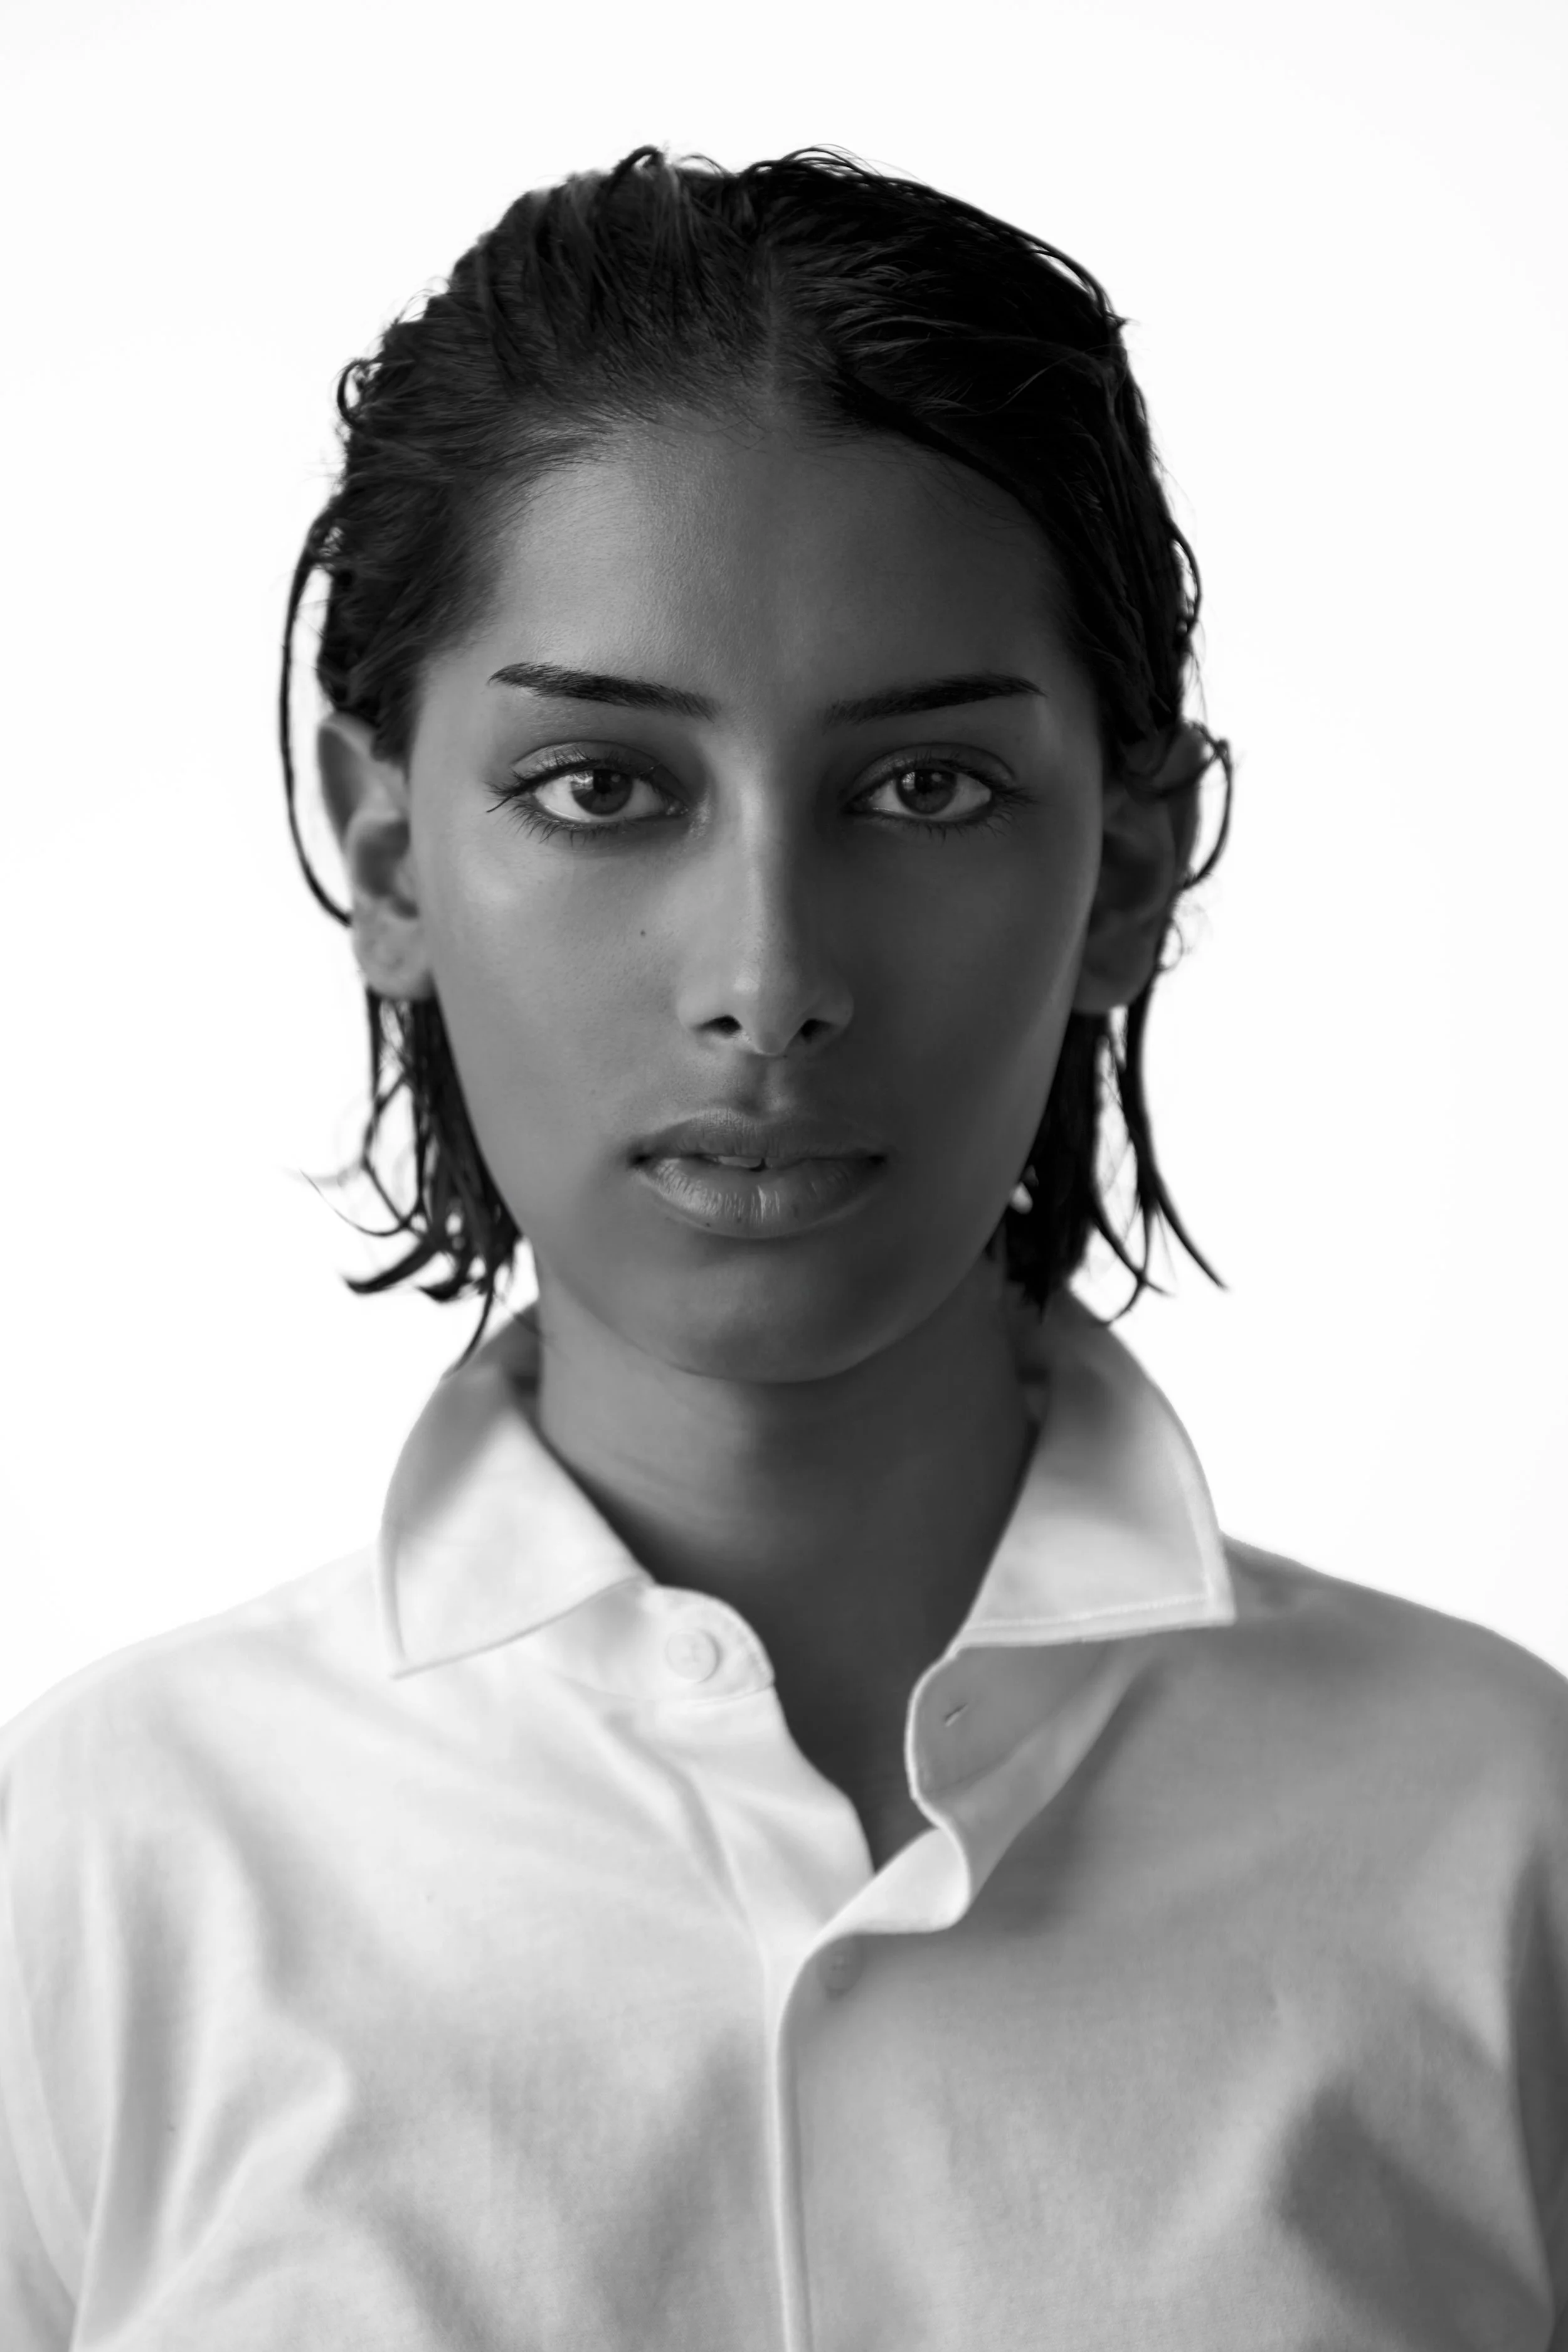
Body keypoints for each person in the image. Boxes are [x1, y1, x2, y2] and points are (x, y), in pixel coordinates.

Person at [1, 141, 1564, 2351]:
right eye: (602, 787)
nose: (767, 974)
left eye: (922, 789)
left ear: (1125, 866)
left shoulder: (1504, 1845)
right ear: (385, 851)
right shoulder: (91, 1880)